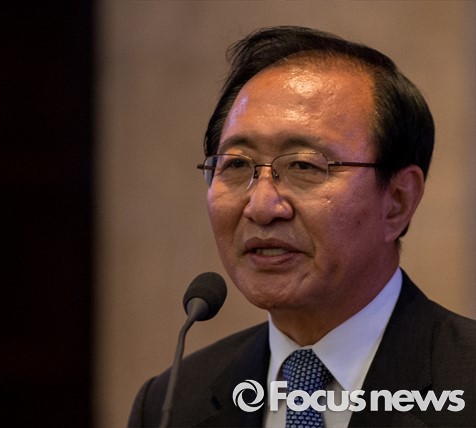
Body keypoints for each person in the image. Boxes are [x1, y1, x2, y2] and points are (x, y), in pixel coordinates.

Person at [128, 25, 476, 427]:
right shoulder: (171, 403)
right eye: (236, 164)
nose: (262, 207)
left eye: (303, 166)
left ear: (398, 200)